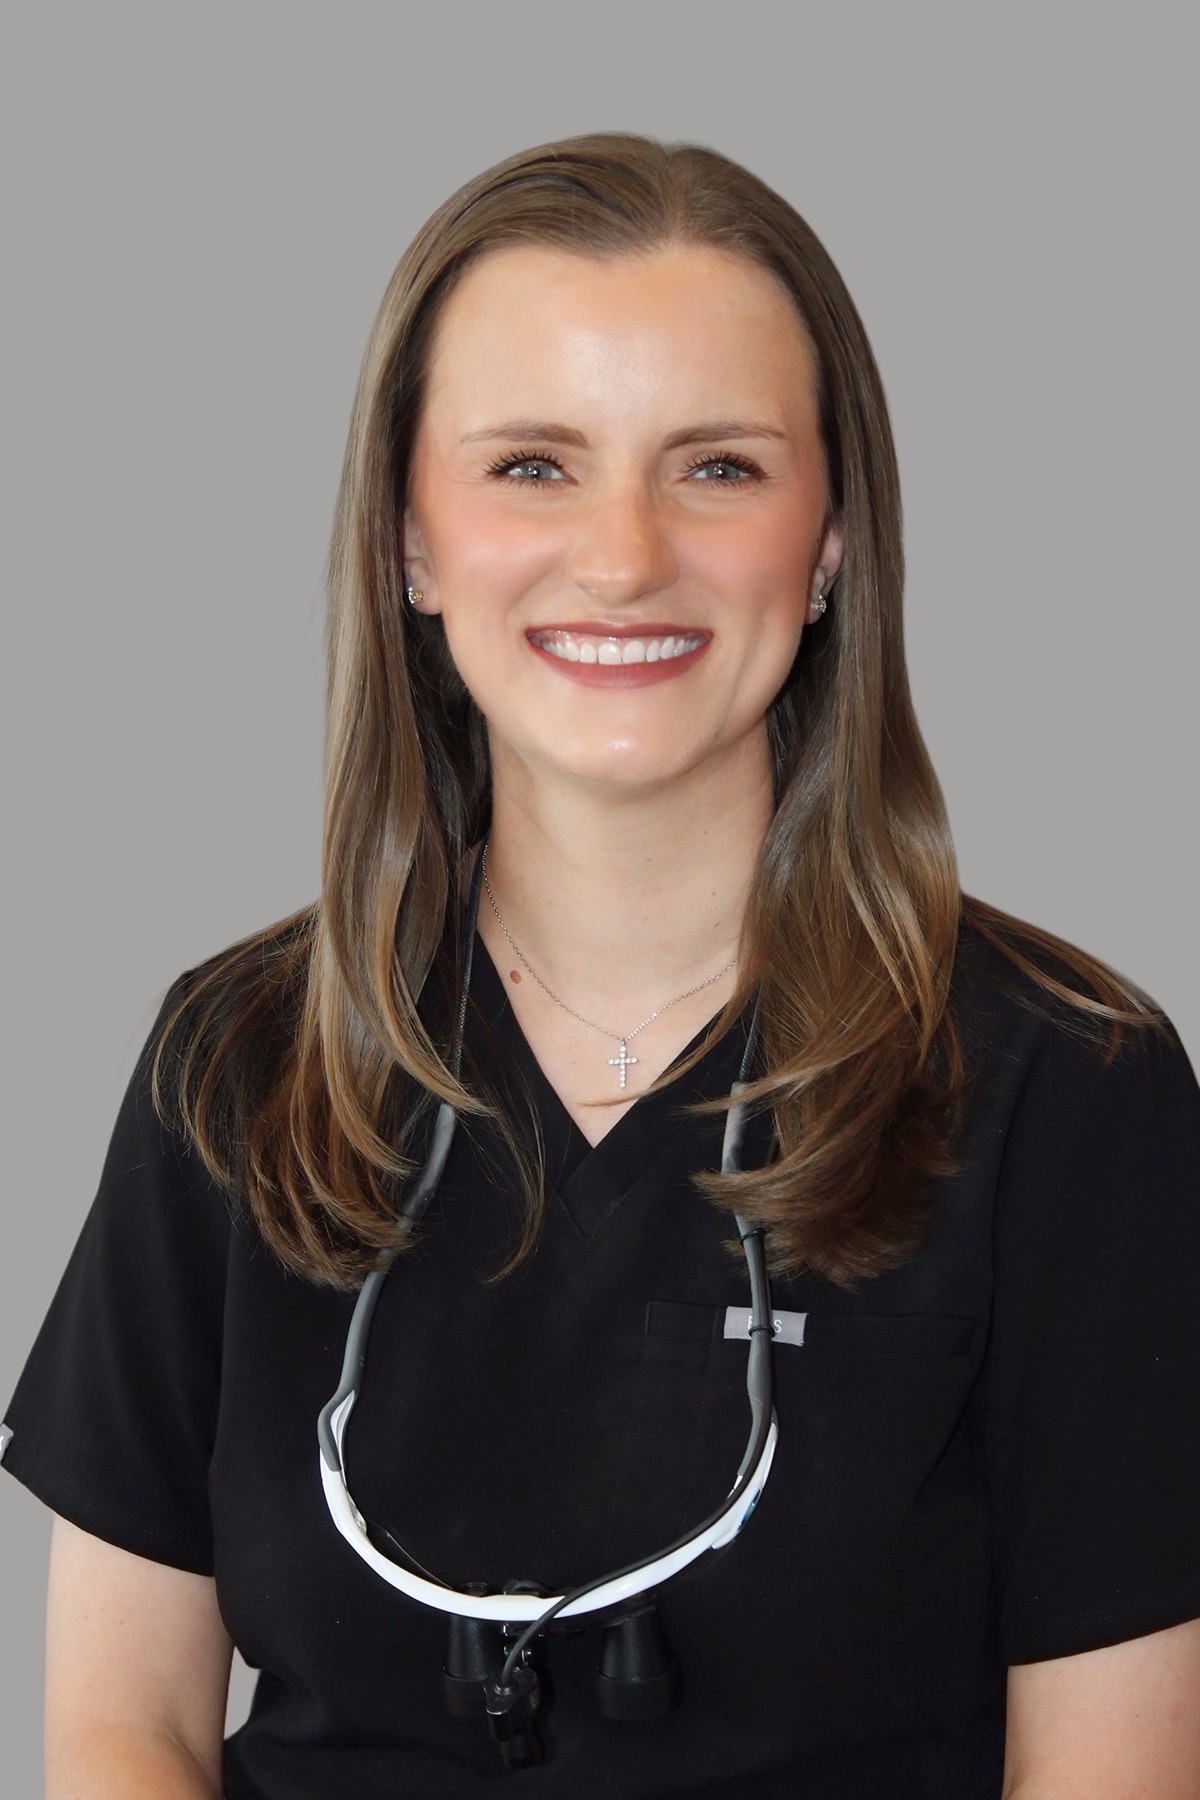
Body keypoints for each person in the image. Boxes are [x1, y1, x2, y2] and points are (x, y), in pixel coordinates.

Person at [3, 132, 1200, 1800]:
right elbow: (118, 1726)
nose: (625, 554)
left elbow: (1116, 1771)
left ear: (832, 537)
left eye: (718, 466)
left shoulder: (1070, 1087)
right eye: (532, 466)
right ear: (412, 542)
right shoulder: (243, 1057)